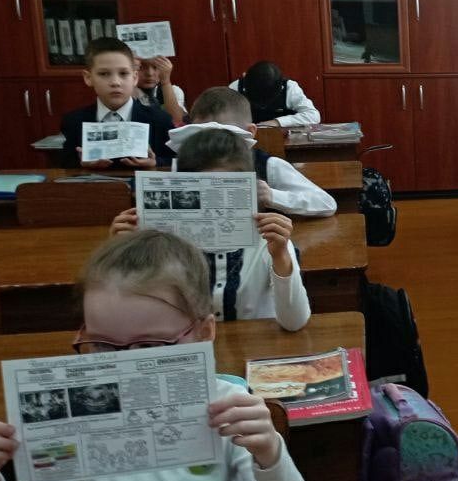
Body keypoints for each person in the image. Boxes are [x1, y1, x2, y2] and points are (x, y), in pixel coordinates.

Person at [0, 230, 313, 481]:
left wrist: (270, 453)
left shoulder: (229, 408)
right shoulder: (76, 416)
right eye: (102, 345)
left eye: (150, 345)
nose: (123, 365)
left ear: (204, 332)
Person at [110, 129, 312, 331]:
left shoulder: (269, 241)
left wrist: (281, 257)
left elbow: (294, 322)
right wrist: (120, 257)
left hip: (253, 344)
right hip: (186, 344)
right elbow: (128, 319)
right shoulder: (163, 242)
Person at [181, 86, 337, 217]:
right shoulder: (188, 165)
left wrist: (273, 196)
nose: (212, 143)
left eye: (224, 135)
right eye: (200, 134)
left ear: (250, 132)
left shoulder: (269, 165)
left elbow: (326, 203)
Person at [60, 37, 174, 168]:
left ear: (135, 77)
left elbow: (175, 161)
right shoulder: (74, 121)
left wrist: (155, 162)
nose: (115, 82)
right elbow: (64, 164)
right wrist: (81, 164)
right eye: (104, 74)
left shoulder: (159, 119)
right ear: (88, 78)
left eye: (123, 73)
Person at [229, 61, 321, 127]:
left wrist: (277, 122)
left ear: (281, 87)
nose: (262, 105)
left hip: (283, 138)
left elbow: (313, 116)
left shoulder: (290, 88)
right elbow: (223, 120)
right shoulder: (235, 88)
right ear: (245, 78)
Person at [135, 56, 187, 125]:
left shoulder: (174, 90)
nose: (150, 73)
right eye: (141, 67)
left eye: (156, 67)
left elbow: (176, 122)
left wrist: (166, 82)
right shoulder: (127, 93)